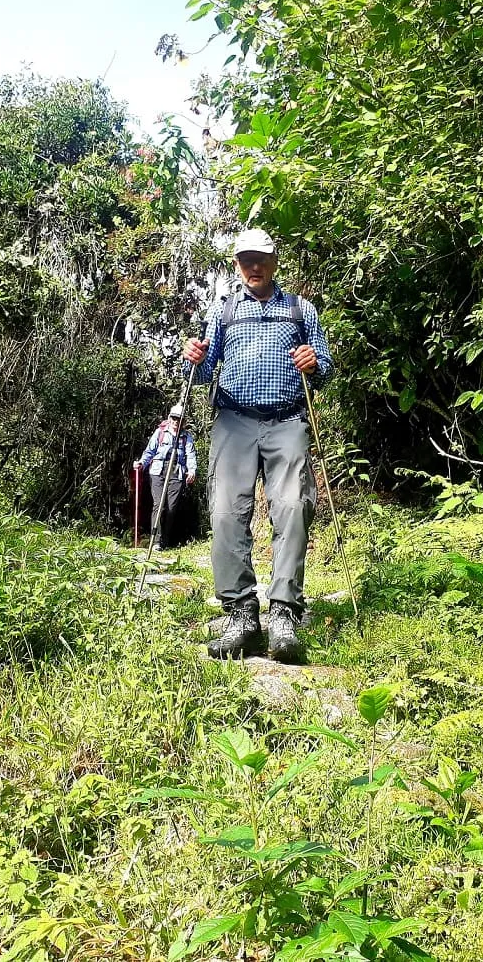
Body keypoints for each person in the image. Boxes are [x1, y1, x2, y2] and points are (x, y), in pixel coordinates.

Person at [183, 228, 333, 663]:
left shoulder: (301, 309)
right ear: (236, 263)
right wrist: (194, 355)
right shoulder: (223, 310)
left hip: (287, 419)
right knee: (226, 512)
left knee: (292, 506)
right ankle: (241, 615)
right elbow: (206, 370)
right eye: (246, 259)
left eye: (261, 258)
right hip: (233, 420)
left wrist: (315, 361)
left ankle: (283, 614)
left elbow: (324, 369)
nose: (254, 266)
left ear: (274, 260)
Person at [134, 404, 197, 549]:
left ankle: (166, 541)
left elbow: (191, 455)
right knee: (159, 505)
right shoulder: (160, 432)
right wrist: (141, 463)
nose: (176, 421)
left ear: (183, 421)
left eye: (179, 419)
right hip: (158, 471)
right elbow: (150, 451)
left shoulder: (186, 437)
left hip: (176, 472)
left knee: (171, 507)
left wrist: (192, 470)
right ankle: (156, 541)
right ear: (169, 418)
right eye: (174, 418)